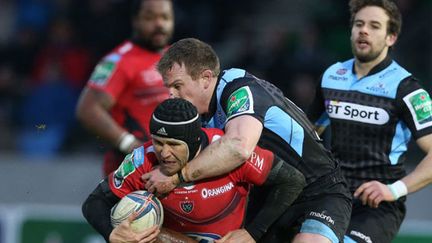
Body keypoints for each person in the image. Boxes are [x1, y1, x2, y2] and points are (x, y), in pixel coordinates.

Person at [142, 38, 352, 243]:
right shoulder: (201, 117)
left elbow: (238, 147)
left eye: (178, 86)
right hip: (272, 199)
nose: (171, 95)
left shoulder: (240, 91)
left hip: (320, 192)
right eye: (168, 88)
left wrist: (176, 178)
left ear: (206, 78)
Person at [82, 98, 301, 243]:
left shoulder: (228, 152)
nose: (164, 153)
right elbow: (94, 203)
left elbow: (292, 180)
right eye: (158, 142)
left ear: (195, 140)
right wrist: (112, 234)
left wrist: (253, 233)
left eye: (174, 145)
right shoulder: (142, 160)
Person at [307, 0, 432, 242]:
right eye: (359, 24)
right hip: (332, 195)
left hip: (378, 206)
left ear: (391, 38)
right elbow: (309, 135)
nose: (364, 30)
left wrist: (393, 190)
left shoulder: (407, 89)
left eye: (375, 26)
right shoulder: (331, 77)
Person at [76, 0, 174, 176]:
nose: (159, 24)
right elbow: (87, 109)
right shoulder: (118, 61)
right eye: (150, 17)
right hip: (130, 172)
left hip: (167, 168)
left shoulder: (175, 57)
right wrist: (129, 144)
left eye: (165, 17)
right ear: (135, 20)